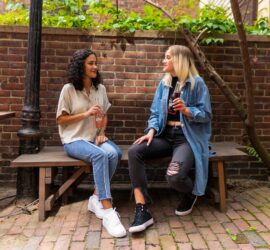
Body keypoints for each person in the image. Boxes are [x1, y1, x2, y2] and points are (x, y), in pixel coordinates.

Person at [128, 45, 212, 233]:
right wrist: (151, 130)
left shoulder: (197, 83)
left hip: (186, 138)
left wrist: (187, 110)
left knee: (174, 177)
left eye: (168, 57)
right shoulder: (164, 83)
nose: (163, 61)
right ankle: (142, 208)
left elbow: (206, 115)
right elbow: (155, 112)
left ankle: (191, 192)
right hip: (165, 136)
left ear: (179, 60)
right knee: (135, 151)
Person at [56, 49, 126, 238]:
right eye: (90, 63)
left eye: (96, 63)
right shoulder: (69, 89)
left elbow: (104, 116)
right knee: (100, 154)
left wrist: (102, 133)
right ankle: (107, 208)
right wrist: (86, 114)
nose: (95, 67)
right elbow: (61, 120)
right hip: (74, 140)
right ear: (80, 66)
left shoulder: (100, 89)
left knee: (115, 153)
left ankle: (95, 198)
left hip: (94, 138)